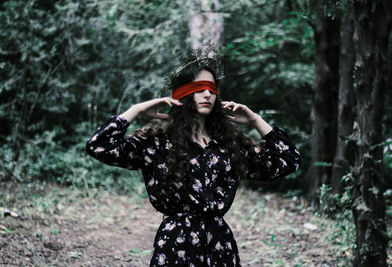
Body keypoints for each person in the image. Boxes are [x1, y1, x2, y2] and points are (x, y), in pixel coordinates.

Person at [86, 62, 300, 266]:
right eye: (199, 88)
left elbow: (289, 160)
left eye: (212, 89)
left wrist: (255, 120)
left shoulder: (229, 144)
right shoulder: (157, 142)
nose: (208, 94)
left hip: (219, 245)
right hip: (175, 245)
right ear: (183, 93)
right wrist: (137, 109)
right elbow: (99, 145)